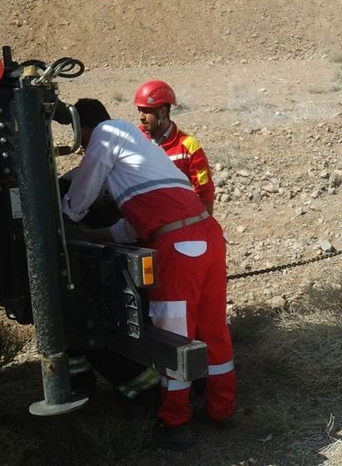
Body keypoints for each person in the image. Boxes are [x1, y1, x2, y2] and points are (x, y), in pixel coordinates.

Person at [62, 98, 235, 450]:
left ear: (83, 128)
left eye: (80, 140)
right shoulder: (141, 153)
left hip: (179, 246)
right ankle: (222, 410)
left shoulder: (107, 134)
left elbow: (83, 190)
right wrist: (96, 237)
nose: (82, 148)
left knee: (172, 336)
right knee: (212, 329)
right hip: (208, 236)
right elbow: (132, 225)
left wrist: (66, 219)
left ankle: (175, 422)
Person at [133, 80, 216, 215]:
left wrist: (204, 226)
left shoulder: (188, 146)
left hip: (177, 218)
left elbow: (204, 192)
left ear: (163, 111)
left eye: (147, 111)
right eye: (140, 110)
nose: (141, 117)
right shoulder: (135, 139)